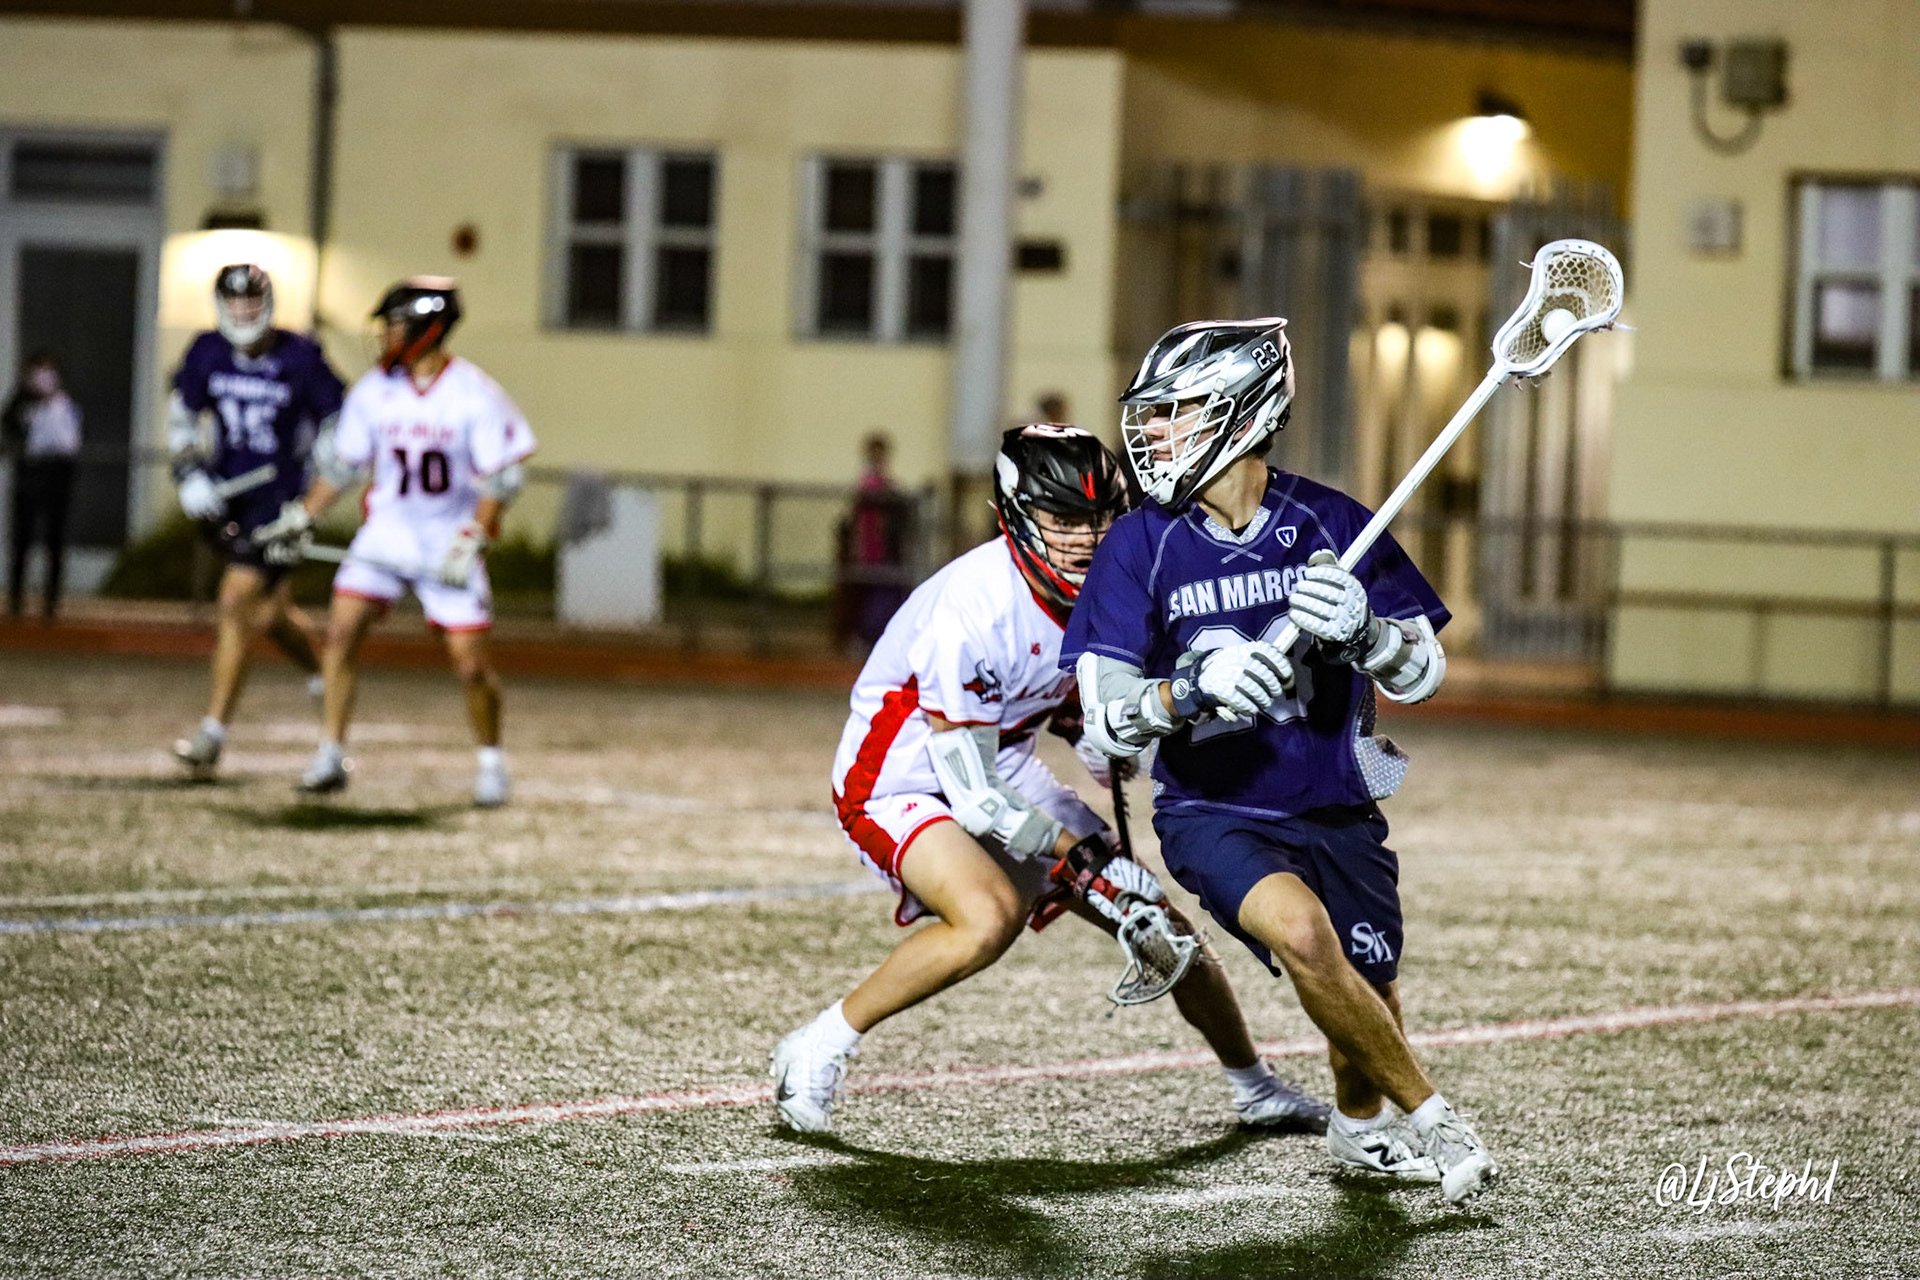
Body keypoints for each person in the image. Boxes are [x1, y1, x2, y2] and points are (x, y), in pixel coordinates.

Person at [771, 423, 1328, 1136]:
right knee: (987, 916)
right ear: (1014, 515)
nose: (1086, 538)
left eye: (1100, 517)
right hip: (903, 777)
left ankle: (1254, 1087)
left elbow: (1067, 701)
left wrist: (1102, 740)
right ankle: (817, 1046)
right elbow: (974, 795)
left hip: (998, 757)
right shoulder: (972, 609)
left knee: (1159, 921)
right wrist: (1083, 859)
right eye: (1063, 519)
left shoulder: (1114, 585)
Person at [1061, 318, 1499, 1206]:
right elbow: (1106, 724)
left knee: (1367, 992)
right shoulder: (1138, 544)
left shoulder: (1333, 522)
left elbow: (1424, 673)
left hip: (1336, 804)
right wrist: (1188, 691)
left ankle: (1360, 1129)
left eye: (1179, 411)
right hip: (1213, 811)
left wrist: (1368, 635)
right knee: (1303, 936)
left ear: (1245, 411)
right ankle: (1436, 1118)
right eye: (1154, 414)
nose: (1155, 432)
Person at [255, 277, 535, 807]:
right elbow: (344, 467)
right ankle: (331, 753)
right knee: (340, 634)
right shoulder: (375, 391)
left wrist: (472, 537)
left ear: (428, 329)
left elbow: (501, 478)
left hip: (446, 536)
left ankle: (491, 761)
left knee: (470, 663)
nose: (385, 335)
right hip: (387, 532)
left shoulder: (472, 393)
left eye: (395, 325)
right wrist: (302, 516)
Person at [169, 264, 345, 776]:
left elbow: (339, 418)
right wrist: (189, 473)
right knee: (269, 615)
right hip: (229, 497)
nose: (243, 313)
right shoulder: (207, 351)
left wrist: (317, 489)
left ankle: (212, 733)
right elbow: (181, 415)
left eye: (251, 303)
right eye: (234, 303)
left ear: (267, 305)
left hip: (281, 502)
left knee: (234, 600)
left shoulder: (300, 355)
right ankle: (323, 674)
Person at [2, 353, 82, 619]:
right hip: (28, 481)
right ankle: (16, 599)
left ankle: (51, 601)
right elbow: (8, 432)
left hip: (56, 482)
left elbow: (74, 441)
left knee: (54, 542)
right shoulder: (19, 404)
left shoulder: (65, 404)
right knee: (21, 541)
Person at [831, 431, 911, 654]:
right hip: (870, 549)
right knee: (867, 595)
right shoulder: (867, 484)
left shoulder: (886, 484)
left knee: (884, 594)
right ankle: (863, 636)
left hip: (883, 551)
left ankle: (877, 636)